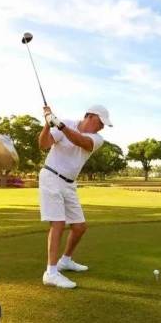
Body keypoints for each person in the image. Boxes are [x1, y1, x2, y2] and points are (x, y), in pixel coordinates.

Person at [37, 104, 112, 288]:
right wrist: (47, 123)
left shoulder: (97, 139)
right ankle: (51, 273)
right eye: (101, 122)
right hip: (51, 176)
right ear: (90, 116)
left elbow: (80, 141)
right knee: (58, 223)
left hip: (69, 183)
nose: (102, 127)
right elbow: (43, 144)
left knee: (79, 227)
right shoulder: (66, 123)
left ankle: (65, 261)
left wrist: (59, 125)